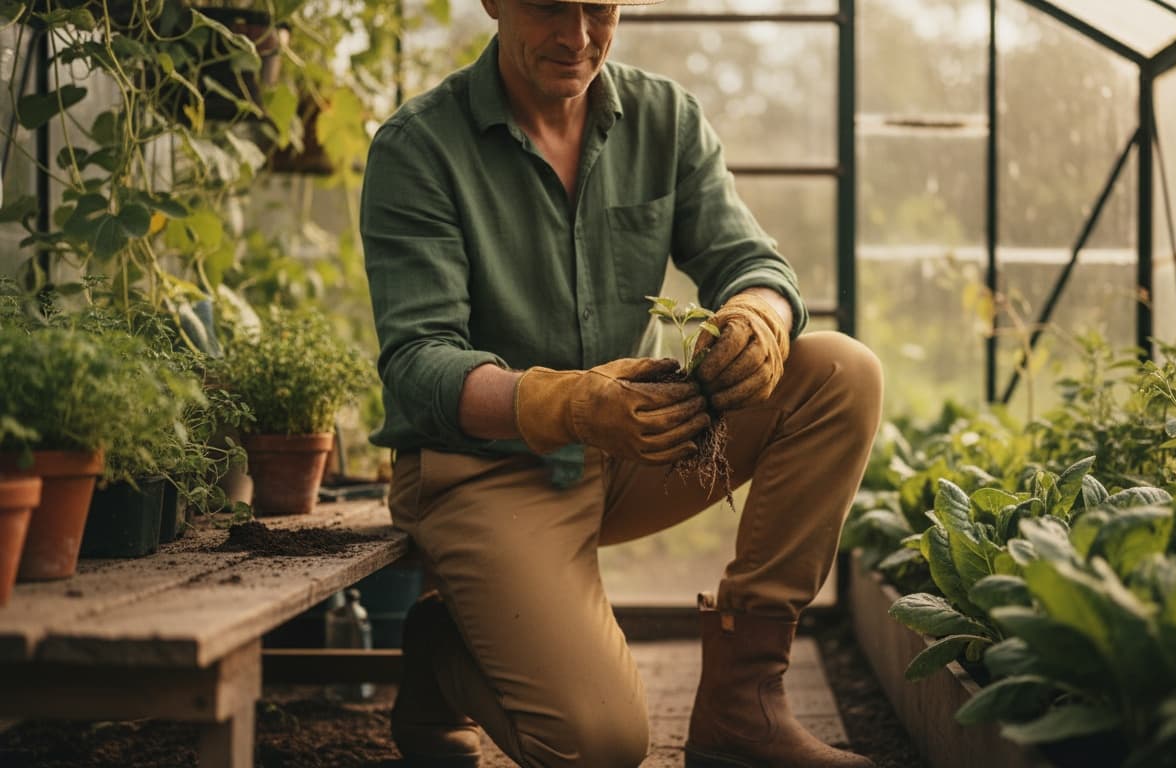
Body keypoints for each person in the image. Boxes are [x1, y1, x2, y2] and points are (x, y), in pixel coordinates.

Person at [360, 0, 883, 765]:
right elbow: (417, 367)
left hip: (630, 446)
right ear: (493, 2)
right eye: (547, 7)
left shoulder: (663, 117)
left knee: (841, 373)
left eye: (599, 7)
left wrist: (760, 315)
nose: (577, 37)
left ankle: (742, 708)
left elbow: (748, 258)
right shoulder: (419, 147)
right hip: (486, 473)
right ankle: (444, 654)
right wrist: (566, 403)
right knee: (599, 746)